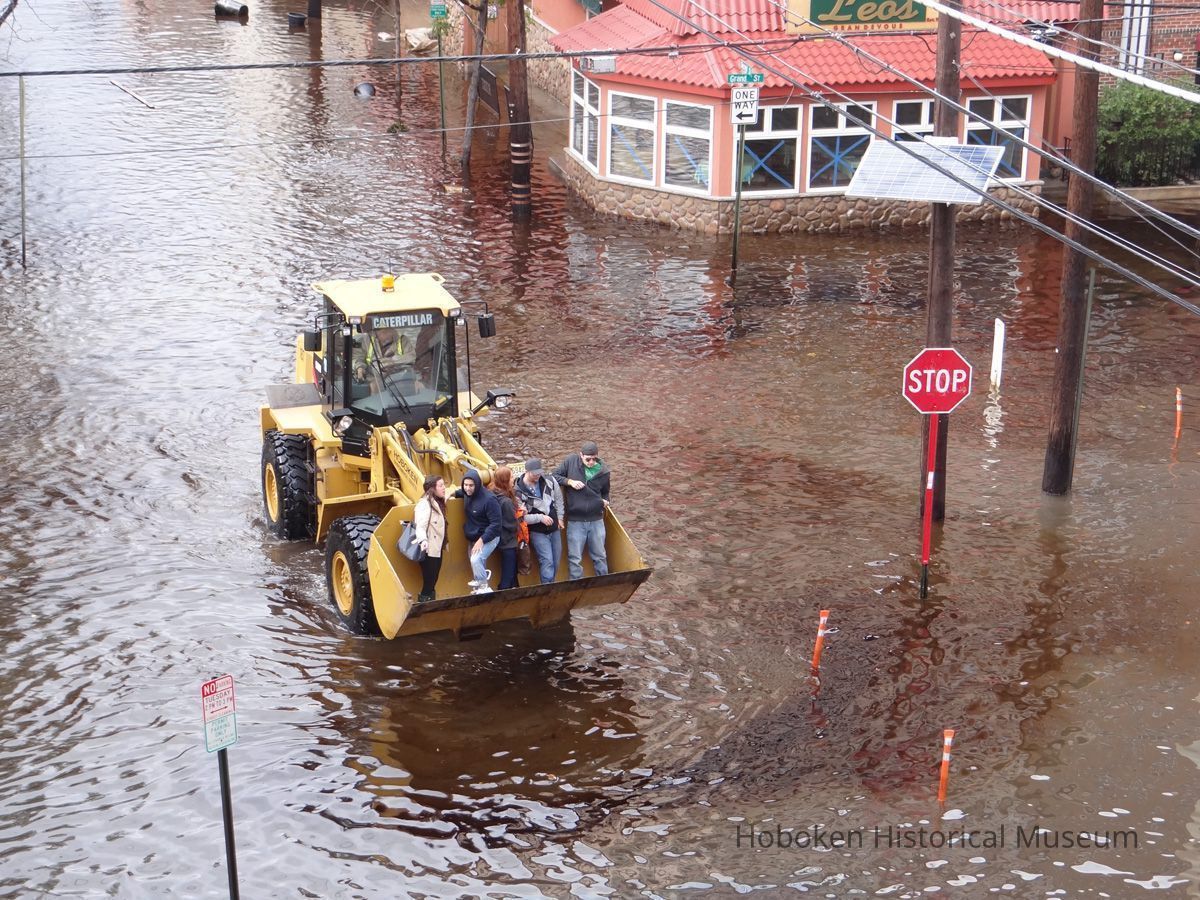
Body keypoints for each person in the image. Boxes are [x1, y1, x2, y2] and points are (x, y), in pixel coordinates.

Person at [553, 441, 610, 580]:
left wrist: (605, 500)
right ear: (581, 455)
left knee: (600, 556)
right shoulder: (570, 461)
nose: (591, 462)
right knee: (574, 558)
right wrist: (570, 482)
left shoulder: (604, 471)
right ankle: (576, 584)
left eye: (594, 459)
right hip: (575, 520)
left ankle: (603, 583)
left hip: (596, 519)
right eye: (588, 459)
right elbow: (554, 476)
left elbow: (606, 492)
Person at [515, 457, 564, 584]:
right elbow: (521, 518)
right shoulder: (518, 491)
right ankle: (547, 588)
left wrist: (560, 517)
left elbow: (559, 499)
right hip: (537, 532)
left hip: (554, 529)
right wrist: (540, 518)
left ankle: (551, 585)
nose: (538, 475)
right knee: (547, 561)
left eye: (539, 472)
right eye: (534, 473)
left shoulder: (550, 480)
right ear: (526, 471)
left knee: (556, 561)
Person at [453, 468, 501, 593]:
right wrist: (450, 494)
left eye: (471, 485)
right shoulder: (467, 493)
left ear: (478, 485)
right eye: (465, 485)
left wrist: (481, 540)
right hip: (473, 536)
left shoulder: (489, 500)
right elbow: (460, 492)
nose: (468, 488)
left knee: (476, 559)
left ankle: (483, 585)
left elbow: (496, 524)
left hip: (489, 537)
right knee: (476, 563)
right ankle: (479, 589)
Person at [412, 475, 447, 603]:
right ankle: (424, 604)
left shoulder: (438, 501)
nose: (444, 488)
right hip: (428, 548)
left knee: (434, 578)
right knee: (429, 580)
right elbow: (420, 526)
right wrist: (423, 540)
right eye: (441, 485)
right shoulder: (425, 504)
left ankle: (430, 603)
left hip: (437, 547)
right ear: (432, 488)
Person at [490, 466, 522, 590]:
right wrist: (520, 516)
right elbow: (511, 524)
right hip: (508, 541)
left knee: (511, 573)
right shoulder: (506, 502)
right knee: (508, 574)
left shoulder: (493, 495)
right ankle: (502, 593)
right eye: (511, 477)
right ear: (505, 480)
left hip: (500, 539)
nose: (513, 479)